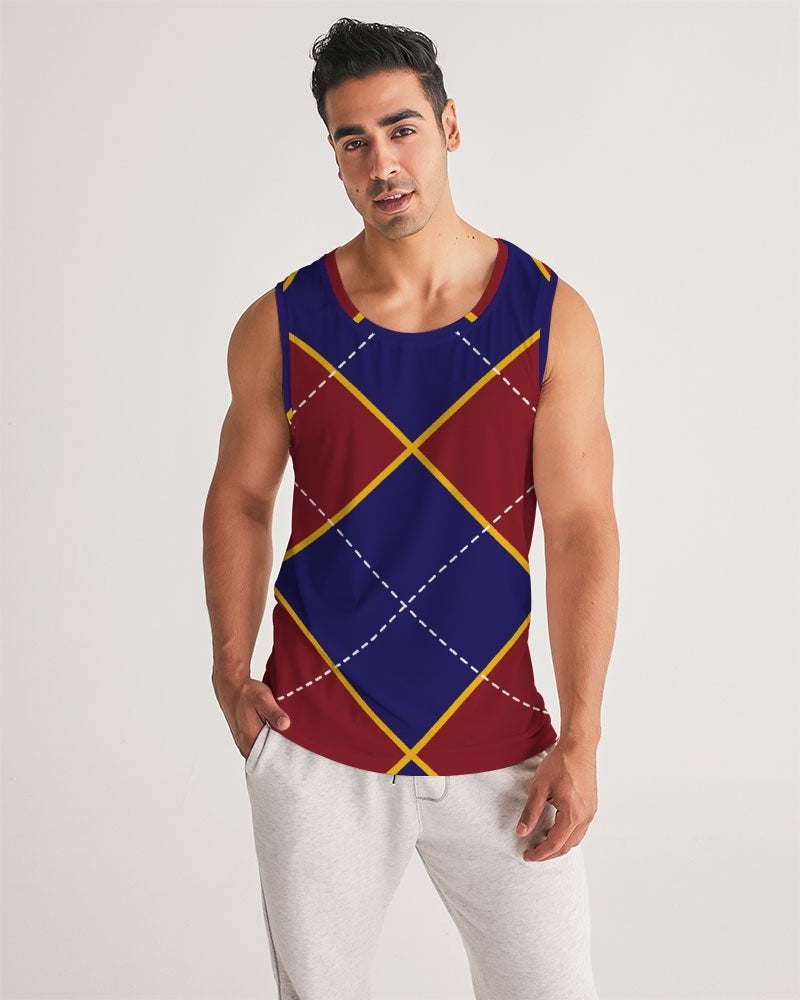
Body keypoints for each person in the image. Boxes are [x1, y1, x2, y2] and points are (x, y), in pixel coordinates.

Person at [203, 16, 619, 1000]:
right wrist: (229, 668)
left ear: (449, 127)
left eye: (401, 130)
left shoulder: (546, 318)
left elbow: (579, 531)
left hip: (504, 746)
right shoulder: (283, 324)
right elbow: (241, 497)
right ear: (333, 156)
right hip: (316, 742)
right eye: (352, 141)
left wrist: (583, 735)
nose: (381, 163)